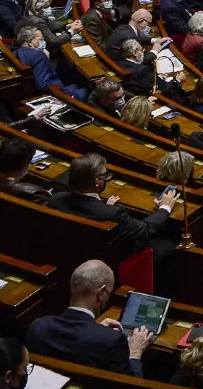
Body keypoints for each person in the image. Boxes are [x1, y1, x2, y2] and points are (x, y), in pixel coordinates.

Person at [25, 259, 149, 376]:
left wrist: (97, 329)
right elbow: (129, 388)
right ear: (100, 293)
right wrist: (134, 354)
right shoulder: (112, 340)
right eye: (109, 293)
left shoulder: (38, 326)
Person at [47, 153, 179, 259]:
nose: (107, 178)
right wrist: (165, 207)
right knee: (168, 244)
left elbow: (85, 210)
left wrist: (104, 206)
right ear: (98, 182)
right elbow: (145, 229)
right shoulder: (113, 214)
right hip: (111, 259)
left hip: (70, 252)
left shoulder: (56, 199)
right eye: (105, 175)